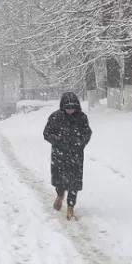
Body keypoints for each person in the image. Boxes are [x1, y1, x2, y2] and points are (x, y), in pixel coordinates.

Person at [43, 91, 92, 220]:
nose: (70, 110)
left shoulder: (82, 118)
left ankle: (71, 206)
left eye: (73, 107)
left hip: (75, 155)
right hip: (59, 155)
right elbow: (46, 133)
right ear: (63, 106)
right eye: (67, 107)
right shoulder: (55, 117)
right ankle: (60, 195)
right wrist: (59, 141)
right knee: (59, 180)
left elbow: (87, 133)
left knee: (74, 182)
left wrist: (80, 142)